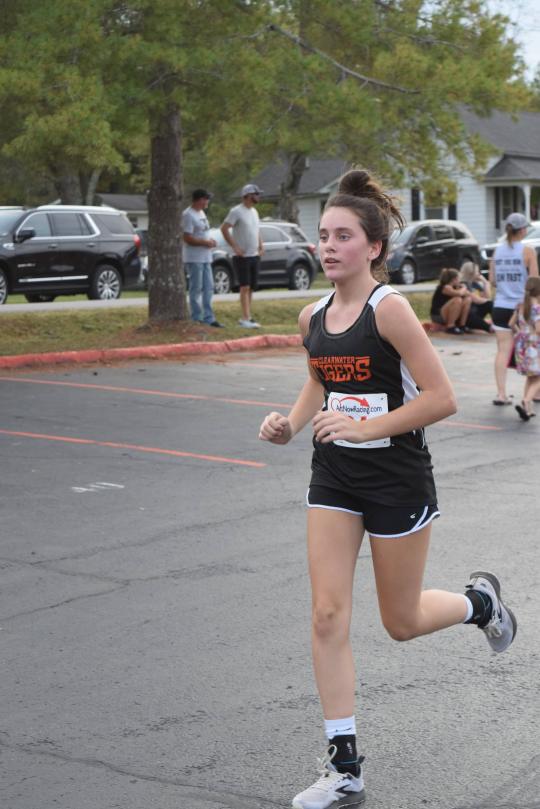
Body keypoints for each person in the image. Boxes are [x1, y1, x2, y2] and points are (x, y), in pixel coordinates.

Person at [258, 169, 517, 809]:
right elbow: (319, 380)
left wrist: (364, 426)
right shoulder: (312, 315)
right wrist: (290, 424)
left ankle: (479, 605)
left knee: (400, 622)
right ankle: (344, 767)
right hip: (334, 475)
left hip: (396, 478)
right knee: (326, 614)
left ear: (373, 247)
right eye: (324, 235)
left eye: (343, 236)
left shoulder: (390, 310)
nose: (328, 246)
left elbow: (442, 398)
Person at [490, 212, 538, 405]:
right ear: (523, 230)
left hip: (500, 306)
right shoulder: (528, 251)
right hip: (522, 308)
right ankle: (534, 393)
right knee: (534, 347)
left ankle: (501, 394)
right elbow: (534, 283)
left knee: (503, 351)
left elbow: (493, 281)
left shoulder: (497, 251)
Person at [221, 183, 264, 328]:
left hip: (254, 255)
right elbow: (224, 228)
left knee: (251, 287)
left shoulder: (254, 212)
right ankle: (245, 318)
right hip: (242, 257)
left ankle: (248, 316)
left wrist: (261, 245)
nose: (258, 197)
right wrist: (235, 246)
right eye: (256, 194)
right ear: (248, 195)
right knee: (244, 287)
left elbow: (256, 230)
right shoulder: (236, 211)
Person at [182, 188, 223, 328]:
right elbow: (187, 238)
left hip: (206, 257)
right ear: (200, 199)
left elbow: (202, 233)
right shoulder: (188, 215)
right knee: (196, 288)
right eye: (206, 199)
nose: (208, 201)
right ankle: (196, 317)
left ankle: (209, 318)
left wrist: (210, 241)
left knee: (209, 287)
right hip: (194, 258)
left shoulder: (201, 213)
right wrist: (205, 243)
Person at [509, 276, 540, 420]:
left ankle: (527, 408)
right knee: (538, 378)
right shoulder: (537, 308)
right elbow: (538, 329)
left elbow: (511, 324)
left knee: (531, 376)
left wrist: (520, 334)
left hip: (522, 346)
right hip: (535, 347)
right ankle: (527, 400)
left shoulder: (520, 305)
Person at [429, 267, 472, 334]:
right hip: (438, 315)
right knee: (457, 300)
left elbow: (468, 294)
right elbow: (459, 293)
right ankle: (450, 326)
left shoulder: (456, 287)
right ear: (454, 279)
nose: (460, 281)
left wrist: (462, 289)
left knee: (467, 300)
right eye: (459, 278)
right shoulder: (445, 287)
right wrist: (464, 287)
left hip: (446, 313)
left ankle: (462, 325)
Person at [460, 261, 494, 333]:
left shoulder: (474, 283)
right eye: (477, 271)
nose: (479, 273)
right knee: (490, 303)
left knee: (489, 304)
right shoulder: (462, 284)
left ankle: (499, 323)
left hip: (475, 312)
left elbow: (487, 297)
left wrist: (485, 282)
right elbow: (476, 300)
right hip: (467, 316)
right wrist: (487, 300)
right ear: (471, 272)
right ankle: (490, 327)